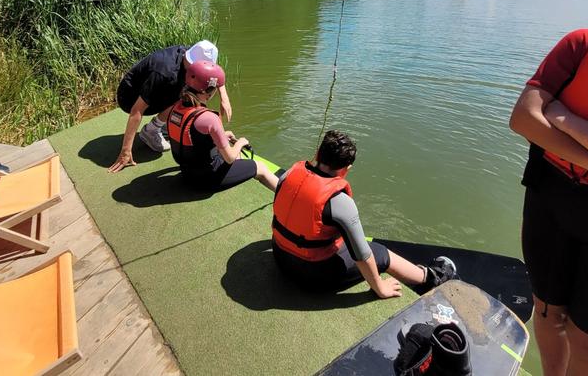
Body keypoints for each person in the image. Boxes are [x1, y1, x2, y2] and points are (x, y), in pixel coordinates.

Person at [510, 28, 588, 376]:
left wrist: (564, 119)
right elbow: (523, 118)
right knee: (545, 311)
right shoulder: (582, 44)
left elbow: (542, 117)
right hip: (549, 199)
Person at [271, 130, 456, 299]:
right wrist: (380, 288)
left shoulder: (288, 175)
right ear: (347, 168)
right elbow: (362, 255)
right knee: (379, 253)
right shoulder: (340, 202)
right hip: (311, 276)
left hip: (280, 257)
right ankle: (430, 277)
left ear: (318, 154)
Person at [108, 40, 232, 173]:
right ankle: (152, 131)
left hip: (152, 86)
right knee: (185, 94)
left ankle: (152, 128)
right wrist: (126, 151)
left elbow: (214, 74)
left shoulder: (194, 52)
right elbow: (137, 110)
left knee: (187, 89)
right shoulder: (165, 73)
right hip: (129, 97)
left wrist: (224, 98)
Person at [167, 60, 278, 192]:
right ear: (210, 91)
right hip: (206, 180)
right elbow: (230, 158)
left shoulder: (177, 107)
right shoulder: (210, 118)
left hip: (187, 172)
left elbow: (191, 137)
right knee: (260, 167)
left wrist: (223, 136)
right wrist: (241, 143)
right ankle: (288, 197)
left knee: (236, 155)